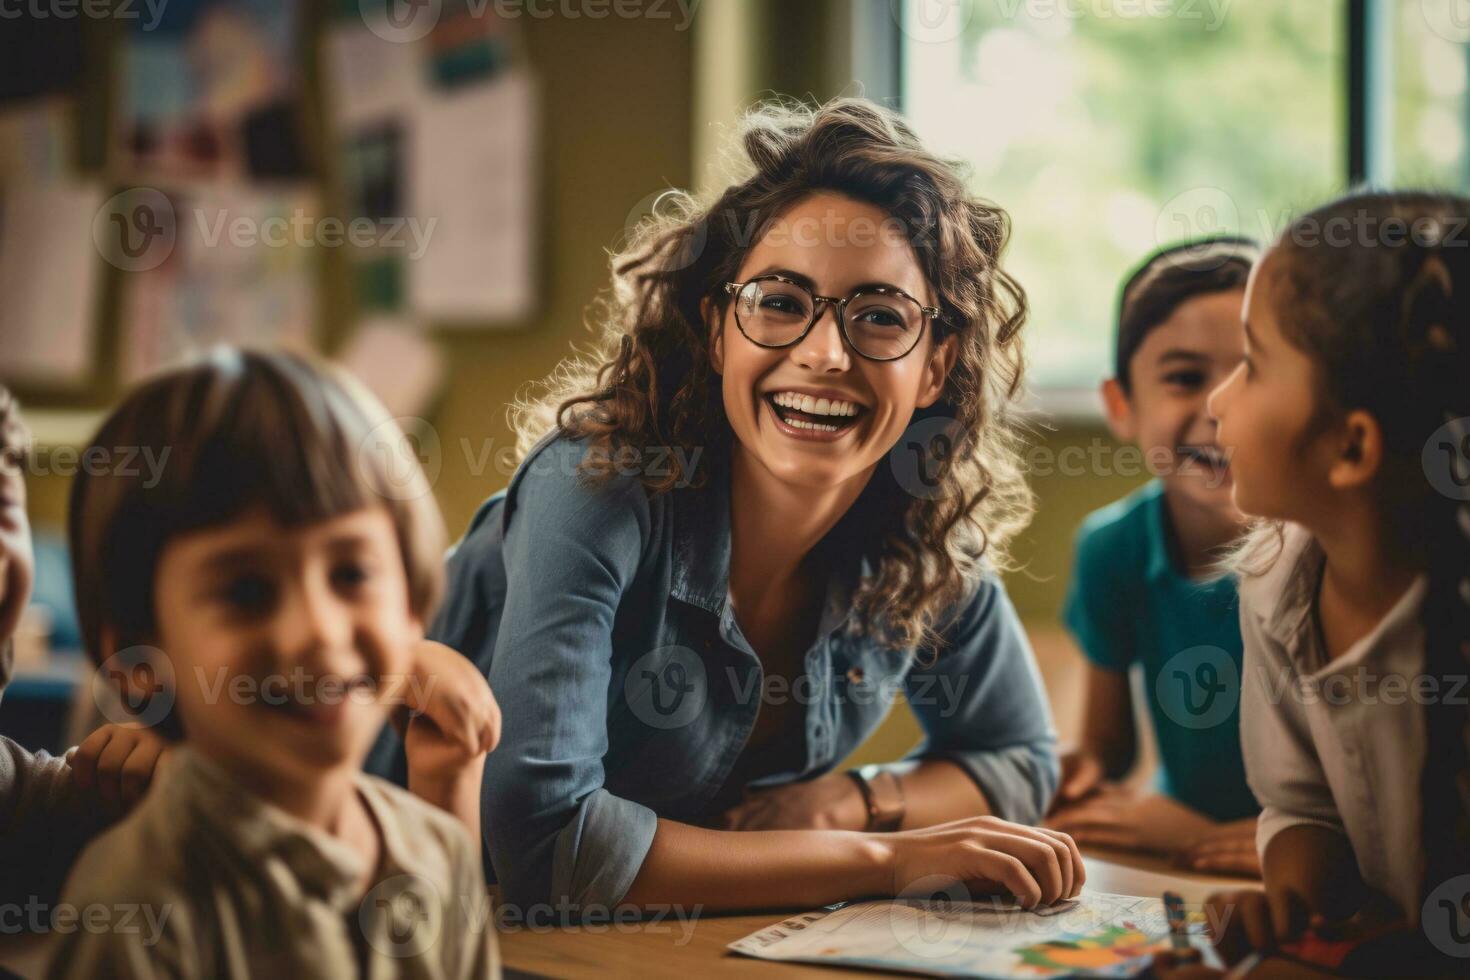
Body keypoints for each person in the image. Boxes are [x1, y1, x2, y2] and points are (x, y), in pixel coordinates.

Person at [369, 97, 1082, 916]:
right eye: (780, 302)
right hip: (369, 917)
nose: (823, 353)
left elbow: (1021, 759)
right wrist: (883, 854)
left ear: (934, 365)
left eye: (880, 317)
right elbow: (546, 844)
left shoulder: (922, 535)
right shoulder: (595, 491)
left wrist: (851, 802)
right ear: (717, 332)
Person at [47, 349, 502, 978]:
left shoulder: (441, 851)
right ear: (138, 659)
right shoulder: (138, 912)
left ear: (414, 601)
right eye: (247, 591)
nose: (316, 630)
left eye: (350, 573)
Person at [1167, 191, 1470, 975]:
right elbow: (1303, 806)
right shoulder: (1276, 582)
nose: (1217, 400)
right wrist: (1291, 905)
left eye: (1253, 365)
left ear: (1351, 448)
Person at [1047, 238, 1261, 876]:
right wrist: (1075, 773)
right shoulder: (1112, 549)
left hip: (1308, 852)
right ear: (1122, 406)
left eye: (1252, 375)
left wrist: (1295, 841)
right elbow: (1107, 750)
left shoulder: (1328, 551)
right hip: (1177, 843)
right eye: (1185, 378)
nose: (1218, 409)